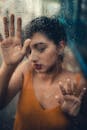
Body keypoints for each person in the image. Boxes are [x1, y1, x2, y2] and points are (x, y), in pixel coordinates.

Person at [0, 14, 87, 130]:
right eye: (29, 51)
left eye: (41, 48)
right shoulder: (26, 70)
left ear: (60, 47)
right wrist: (7, 66)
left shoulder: (78, 83)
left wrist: (74, 117)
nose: (32, 58)